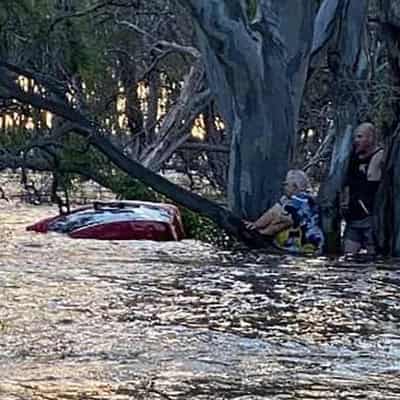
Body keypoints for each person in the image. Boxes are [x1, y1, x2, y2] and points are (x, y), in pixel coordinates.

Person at [245, 169, 324, 255]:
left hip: (307, 244)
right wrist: (256, 225)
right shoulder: (287, 199)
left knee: (282, 216)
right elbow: (273, 211)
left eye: (286, 184)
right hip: (292, 243)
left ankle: (261, 235)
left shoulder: (303, 199)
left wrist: (262, 231)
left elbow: (286, 218)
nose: (284, 187)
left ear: (295, 186)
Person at [341, 122, 384, 255]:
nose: (356, 141)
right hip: (353, 217)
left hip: (370, 218)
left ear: (370, 138)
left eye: (360, 137)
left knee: (373, 257)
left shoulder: (379, 155)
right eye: (355, 137)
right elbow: (347, 183)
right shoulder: (353, 157)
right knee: (348, 257)